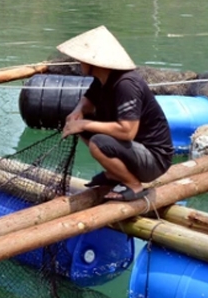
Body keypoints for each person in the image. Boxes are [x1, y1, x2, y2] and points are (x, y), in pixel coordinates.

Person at [58, 26, 173, 202]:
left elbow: (127, 131)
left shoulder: (126, 84)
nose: (79, 64)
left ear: (93, 62)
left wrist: (83, 124)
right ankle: (115, 174)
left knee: (98, 141)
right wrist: (77, 113)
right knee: (83, 127)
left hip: (154, 158)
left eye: (82, 60)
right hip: (133, 149)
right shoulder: (102, 79)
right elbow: (88, 100)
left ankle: (133, 185)